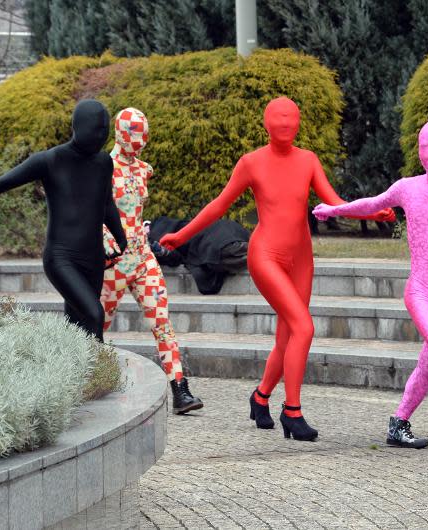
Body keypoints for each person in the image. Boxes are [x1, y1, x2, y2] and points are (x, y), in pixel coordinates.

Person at [160, 97, 394, 441]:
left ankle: (260, 397)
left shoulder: (307, 160)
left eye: (291, 118)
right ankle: (292, 413)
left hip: (301, 259)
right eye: (278, 118)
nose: (284, 123)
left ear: (298, 123)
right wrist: (181, 236)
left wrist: (371, 212)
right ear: (266, 124)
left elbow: (333, 203)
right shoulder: (251, 162)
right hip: (266, 255)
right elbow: (219, 204)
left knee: (288, 338)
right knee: (304, 327)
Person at [314, 119, 428, 455]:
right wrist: (335, 209)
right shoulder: (408, 187)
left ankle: (398, 424)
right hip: (422, 292)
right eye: (422, 146)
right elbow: (371, 203)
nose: (426, 153)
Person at [0, 100, 126, 341]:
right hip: (61, 258)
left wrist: (120, 235)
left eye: (105, 129)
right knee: (94, 315)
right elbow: (0, 184)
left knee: (76, 326)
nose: (102, 135)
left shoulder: (103, 163)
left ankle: (71, 374)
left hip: (94, 259)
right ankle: (101, 378)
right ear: (77, 127)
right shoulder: (50, 161)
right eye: (96, 128)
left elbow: (106, 201)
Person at [100, 107, 202, 414]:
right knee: (98, 324)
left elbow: (136, 213)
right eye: (135, 133)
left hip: (142, 257)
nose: (141, 140)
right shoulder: (101, 167)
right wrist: (102, 234)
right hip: (113, 261)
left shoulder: (145, 169)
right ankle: (90, 384)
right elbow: (90, 207)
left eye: (144, 133)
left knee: (162, 323)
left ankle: (180, 390)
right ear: (120, 132)